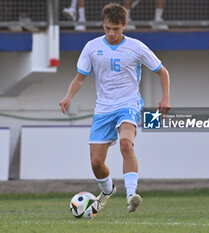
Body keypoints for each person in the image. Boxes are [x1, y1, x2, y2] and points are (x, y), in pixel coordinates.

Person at [59, 3, 170, 213]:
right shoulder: (92, 47)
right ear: (103, 24)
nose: (111, 33)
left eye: (116, 29)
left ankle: (131, 196)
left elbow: (162, 72)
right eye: (108, 28)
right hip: (103, 108)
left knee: (126, 144)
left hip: (129, 103)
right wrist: (68, 96)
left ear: (124, 25)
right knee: (96, 163)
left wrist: (165, 98)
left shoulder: (136, 47)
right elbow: (80, 78)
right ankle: (108, 190)